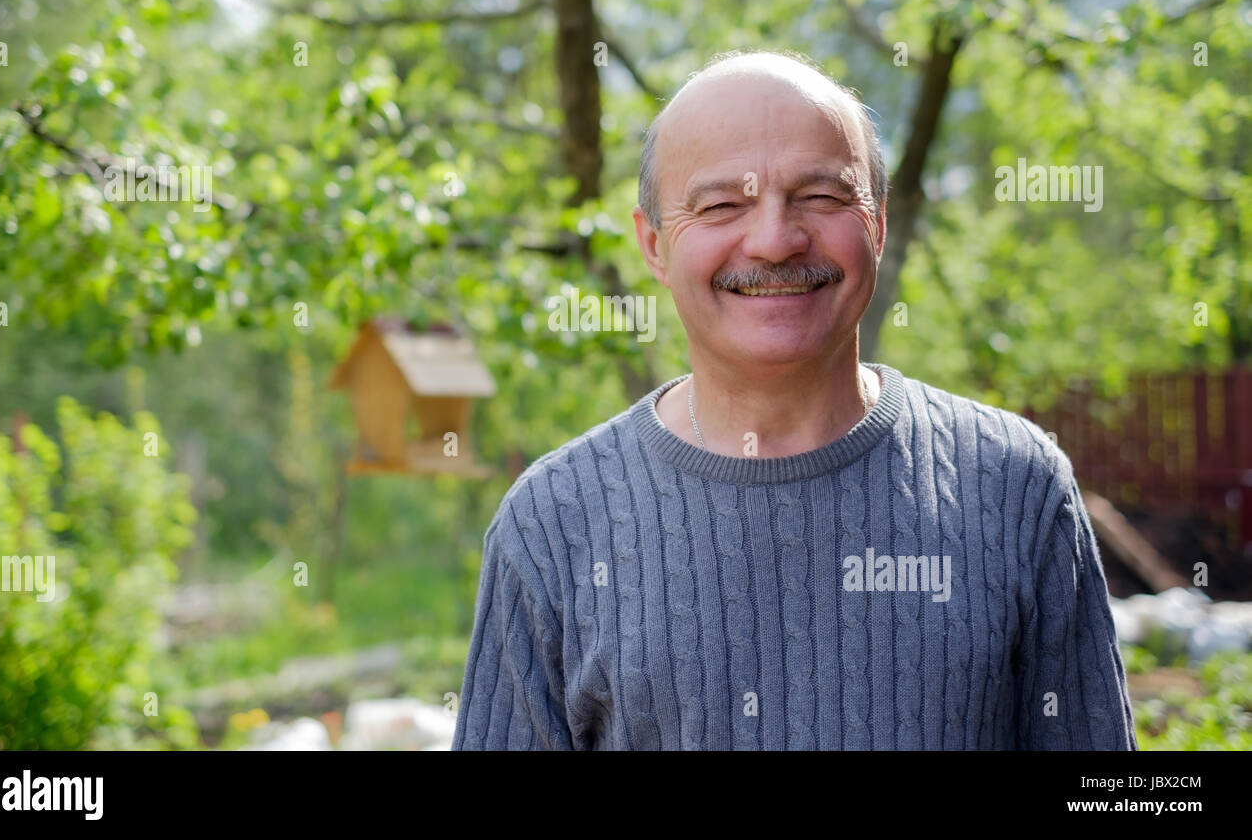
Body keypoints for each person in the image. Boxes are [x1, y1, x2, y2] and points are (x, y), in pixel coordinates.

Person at [450, 49, 1136, 750]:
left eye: (822, 196)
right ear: (654, 244)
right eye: (722, 205)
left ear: (876, 224)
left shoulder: (1016, 488)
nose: (775, 240)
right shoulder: (551, 526)